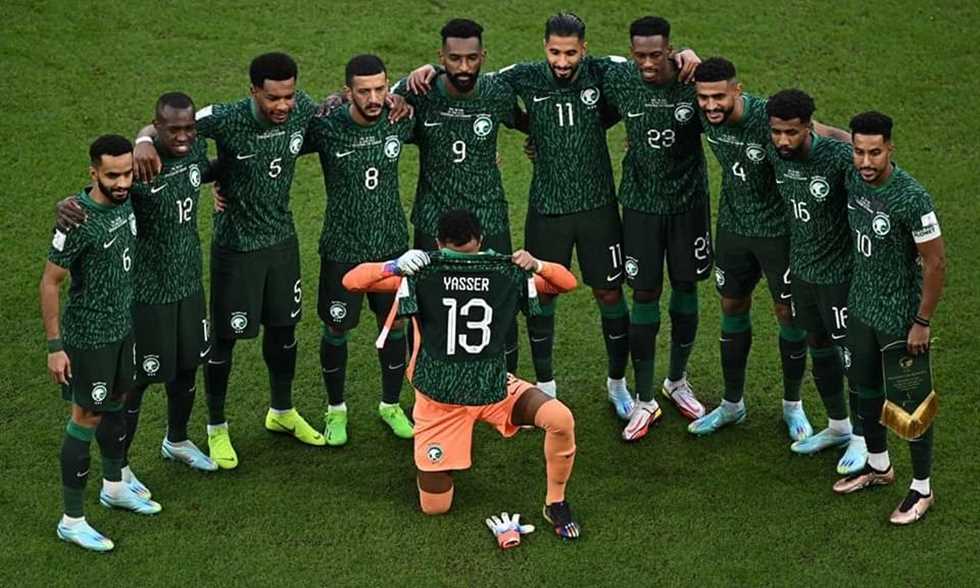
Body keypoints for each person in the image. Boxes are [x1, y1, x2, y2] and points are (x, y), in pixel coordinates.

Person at [133, 52, 325, 468]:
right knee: (224, 339)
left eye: (288, 96)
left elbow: (336, 107)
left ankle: (282, 410)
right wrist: (143, 141)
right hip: (236, 248)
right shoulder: (225, 117)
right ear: (253, 91)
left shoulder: (302, 108)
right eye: (273, 98)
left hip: (283, 241)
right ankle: (216, 427)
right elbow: (173, 127)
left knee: (284, 330)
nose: (283, 106)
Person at [342, 209, 582, 538]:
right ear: (477, 240)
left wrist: (537, 264)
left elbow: (566, 283)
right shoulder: (424, 271)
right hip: (441, 400)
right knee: (435, 507)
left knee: (560, 419)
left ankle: (555, 502)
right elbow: (352, 281)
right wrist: (395, 265)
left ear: (439, 242)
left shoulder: (496, 271)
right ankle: (441, 454)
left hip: (491, 387)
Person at [59, 93, 219, 482]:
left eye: (188, 129)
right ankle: (121, 468)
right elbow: (100, 195)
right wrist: (67, 205)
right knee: (136, 382)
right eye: (173, 129)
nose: (183, 136)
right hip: (149, 293)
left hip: (188, 283)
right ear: (158, 127)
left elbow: (209, 166)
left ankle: (177, 440)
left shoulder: (196, 150)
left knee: (187, 367)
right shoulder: (141, 166)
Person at [41, 135, 161, 553]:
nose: (122, 182)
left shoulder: (126, 199)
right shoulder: (76, 220)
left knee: (117, 403)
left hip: (122, 327)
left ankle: (115, 486)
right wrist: (55, 347)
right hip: (89, 336)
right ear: (93, 173)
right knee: (86, 417)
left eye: (127, 174)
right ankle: (71, 521)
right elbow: (50, 283)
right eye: (112, 176)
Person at [391, 18, 525, 373]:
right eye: (453, 59)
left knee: (502, 303)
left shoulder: (497, 93)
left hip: (488, 216)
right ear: (441, 57)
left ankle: (504, 383)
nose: (463, 67)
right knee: (426, 307)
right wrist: (413, 82)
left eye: (471, 58)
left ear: (483, 56)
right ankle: (425, 383)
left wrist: (539, 143)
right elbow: (377, 98)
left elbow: (531, 121)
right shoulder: (420, 91)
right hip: (433, 217)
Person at [689, 58, 811, 439]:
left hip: (779, 233)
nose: (711, 106)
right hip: (733, 229)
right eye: (704, 98)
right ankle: (732, 405)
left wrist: (861, 150)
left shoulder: (767, 119)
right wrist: (686, 52)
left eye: (719, 98)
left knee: (788, 313)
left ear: (737, 91)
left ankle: (793, 406)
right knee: (731, 307)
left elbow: (818, 134)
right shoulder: (705, 113)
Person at [601, 16, 710, 440]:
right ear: (632, 53)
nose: (648, 63)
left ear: (670, 50)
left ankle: (677, 381)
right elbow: (571, 66)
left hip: (688, 205)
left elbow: (730, 99)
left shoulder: (692, 81)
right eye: (640, 55)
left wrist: (695, 57)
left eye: (656, 54)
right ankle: (645, 398)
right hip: (641, 206)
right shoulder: (621, 78)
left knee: (686, 287)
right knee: (644, 294)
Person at [834, 112, 945, 525]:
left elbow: (935, 263)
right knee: (865, 390)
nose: (866, 161)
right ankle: (878, 466)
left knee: (911, 403)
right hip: (862, 306)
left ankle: (922, 488)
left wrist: (922, 320)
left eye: (875, 153)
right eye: (859, 151)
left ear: (890, 149)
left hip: (900, 316)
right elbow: (825, 132)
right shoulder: (853, 175)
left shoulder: (912, 197)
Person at [303, 54, 416, 445]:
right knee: (336, 327)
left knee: (396, 325)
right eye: (363, 91)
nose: (373, 98)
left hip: (392, 247)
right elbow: (276, 148)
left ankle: (391, 405)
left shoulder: (399, 119)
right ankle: (336, 410)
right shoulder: (326, 127)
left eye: (380, 89)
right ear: (347, 91)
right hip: (342, 248)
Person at [766, 89, 868, 473]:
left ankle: (864, 438)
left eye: (792, 132)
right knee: (818, 346)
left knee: (851, 356)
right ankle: (838, 426)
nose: (783, 140)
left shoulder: (838, 158)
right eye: (777, 132)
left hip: (840, 275)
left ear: (810, 127)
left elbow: (876, 182)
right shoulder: (775, 151)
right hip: (802, 271)